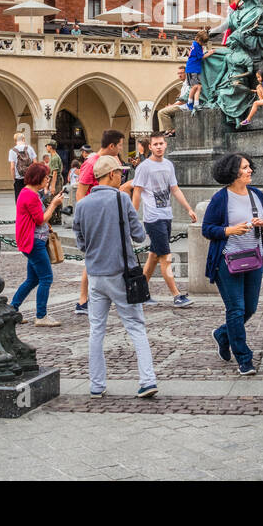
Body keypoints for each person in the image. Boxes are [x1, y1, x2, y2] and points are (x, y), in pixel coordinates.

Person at [71, 155, 158, 398]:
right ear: (111, 175)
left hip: (96, 276)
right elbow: (139, 235)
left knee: (96, 330)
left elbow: (80, 242)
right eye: (120, 172)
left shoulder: (83, 205)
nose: (122, 176)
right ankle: (148, 379)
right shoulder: (122, 199)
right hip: (121, 274)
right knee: (136, 326)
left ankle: (96, 385)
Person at [201, 151, 263, 376]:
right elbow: (207, 229)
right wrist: (229, 230)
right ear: (233, 173)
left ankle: (223, 335)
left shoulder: (256, 194)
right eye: (244, 168)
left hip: (253, 258)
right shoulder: (220, 198)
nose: (249, 170)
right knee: (236, 309)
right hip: (228, 260)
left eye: (249, 167)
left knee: (250, 308)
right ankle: (244, 358)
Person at [130, 134, 197, 308]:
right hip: (153, 218)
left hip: (167, 216)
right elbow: (137, 193)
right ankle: (176, 295)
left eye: (161, 143)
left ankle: (140, 294)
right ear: (150, 147)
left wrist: (188, 208)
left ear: (166, 145)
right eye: (155, 144)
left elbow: (175, 189)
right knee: (165, 257)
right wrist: (131, 217)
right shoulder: (144, 167)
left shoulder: (168, 165)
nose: (159, 147)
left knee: (153, 256)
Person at [73, 129, 125, 316]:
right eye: (119, 146)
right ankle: (83, 300)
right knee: (92, 259)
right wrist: (84, 218)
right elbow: (80, 193)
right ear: (111, 146)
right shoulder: (91, 163)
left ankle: (94, 298)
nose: (120, 149)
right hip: (94, 217)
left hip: (106, 214)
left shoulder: (111, 162)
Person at [12, 162, 65, 327]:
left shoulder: (29, 193)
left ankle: (11, 310)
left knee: (32, 279)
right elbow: (40, 218)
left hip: (33, 240)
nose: (48, 179)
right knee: (46, 278)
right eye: (46, 177)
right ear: (38, 178)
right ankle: (41, 316)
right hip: (34, 242)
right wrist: (54, 204)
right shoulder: (30, 195)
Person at [7, 132, 35, 200]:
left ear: (15, 140)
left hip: (18, 178)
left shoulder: (12, 151)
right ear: (23, 139)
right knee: (29, 197)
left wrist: (14, 179)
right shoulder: (30, 148)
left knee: (19, 198)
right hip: (29, 178)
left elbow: (12, 167)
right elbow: (35, 163)